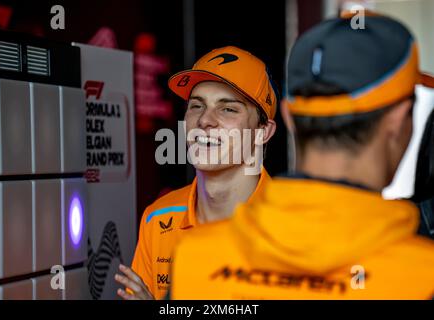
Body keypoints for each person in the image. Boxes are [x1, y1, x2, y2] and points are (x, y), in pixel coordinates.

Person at [170, 14, 434, 299]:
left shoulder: (195, 260)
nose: (206, 121)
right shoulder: (420, 278)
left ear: (288, 118)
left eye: (227, 108)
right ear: (399, 122)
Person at [115, 46, 278, 299]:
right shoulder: (158, 220)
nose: (205, 121)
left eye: (228, 109)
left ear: (262, 131)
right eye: (196, 106)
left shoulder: (298, 225)